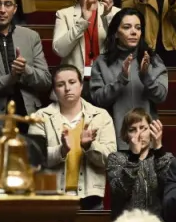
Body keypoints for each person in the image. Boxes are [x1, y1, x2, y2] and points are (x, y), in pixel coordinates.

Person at [29, 65, 116, 209]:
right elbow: (34, 160)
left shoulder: (101, 116)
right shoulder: (40, 117)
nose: (67, 88)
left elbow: (111, 160)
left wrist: (89, 146)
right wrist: (61, 150)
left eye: (72, 82)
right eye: (60, 84)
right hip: (51, 197)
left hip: (90, 199)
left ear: (81, 85)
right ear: (55, 90)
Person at [89, 8, 169, 150]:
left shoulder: (153, 59)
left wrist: (146, 77)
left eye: (138, 28)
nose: (134, 32)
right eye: (127, 27)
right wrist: (121, 80)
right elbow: (97, 99)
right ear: (116, 33)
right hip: (113, 138)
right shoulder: (102, 62)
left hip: (147, 139)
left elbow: (161, 96)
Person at [105, 108, 174, 222]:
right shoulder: (116, 159)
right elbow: (120, 191)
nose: (139, 134)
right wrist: (134, 156)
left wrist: (158, 148)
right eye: (133, 130)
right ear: (126, 135)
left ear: (151, 131)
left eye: (143, 128)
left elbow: (170, 186)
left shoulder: (165, 157)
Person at [52, 0, 118, 80]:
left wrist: (108, 17)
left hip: (107, 81)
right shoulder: (64, 14)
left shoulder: (115, 13)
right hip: (75, 82)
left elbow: (121, 46)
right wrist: (82, 21)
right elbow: (60, 51)